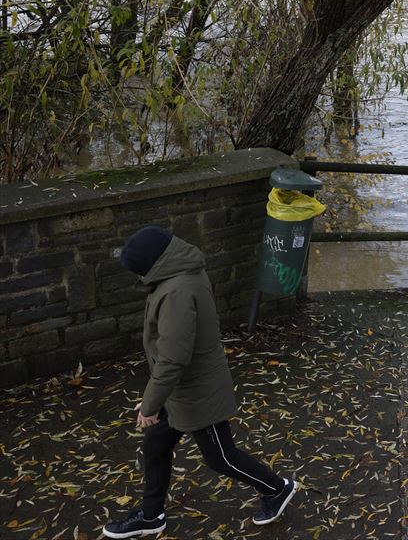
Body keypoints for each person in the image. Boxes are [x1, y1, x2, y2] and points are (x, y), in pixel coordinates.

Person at [102, 226, 297, 538]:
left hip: (197, 392)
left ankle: (277, 488)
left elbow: (173, 356)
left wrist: (151, 403)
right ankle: (152, 515)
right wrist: (158, 395)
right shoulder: (179, 272)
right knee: (155, 445)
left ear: (154, 264)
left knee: (220, 456)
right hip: (178, 389)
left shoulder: (177, 291)